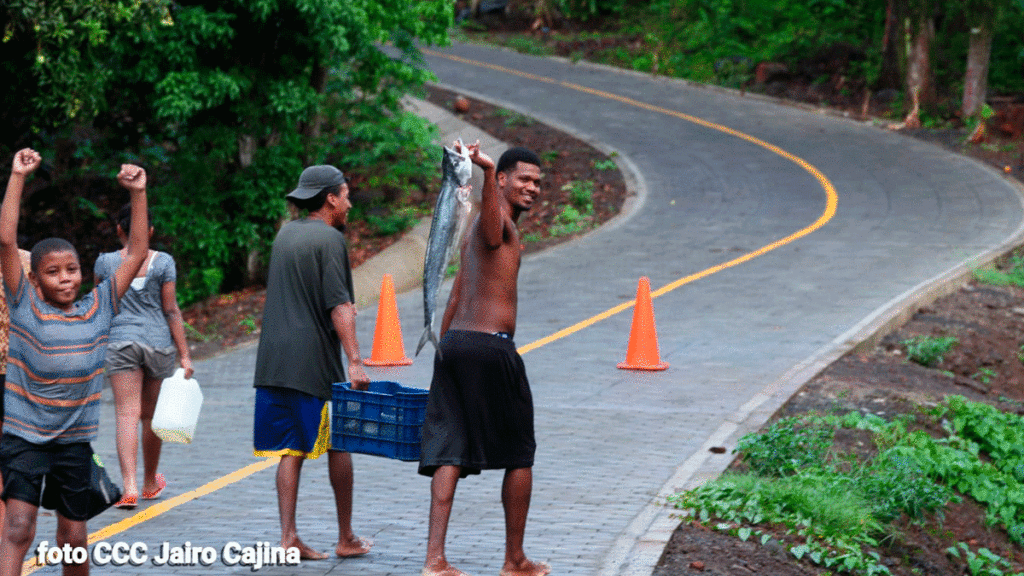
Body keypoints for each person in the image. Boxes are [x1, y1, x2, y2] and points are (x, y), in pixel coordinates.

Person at [0, 148, 149, 576]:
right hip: (25, 437)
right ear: (34, 279)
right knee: (19, 527)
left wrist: (139, 193)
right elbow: (7, 241)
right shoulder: (25, 305)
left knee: (74, 537)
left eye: (72, 269)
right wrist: (17, 177)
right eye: (53, 271)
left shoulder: (99, 307)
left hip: (73, 443)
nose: (65, 278)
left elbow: (137, 250)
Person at [418, 143, 550, 576]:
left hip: (456, 345)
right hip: (490, 349)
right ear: (502, 181)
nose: (532, 187)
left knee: (449, 451)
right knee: (520, 453)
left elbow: (458, 291)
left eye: (536, 182)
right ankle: (514, 560)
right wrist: (486, 168)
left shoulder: (476, 223)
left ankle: (434, 560)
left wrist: (443, 348)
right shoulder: (497, 224)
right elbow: (496, 234)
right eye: (523, 179)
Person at [252, 164, 372, 560]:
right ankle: (346, 537)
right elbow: (339, 306)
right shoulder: (329, 239)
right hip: (311, 361)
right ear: (331, 198)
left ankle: (288, 537)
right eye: (346, 195)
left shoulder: (286, 234)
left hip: (273, 359)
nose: (349, 203)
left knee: (292, 447)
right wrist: (354, 361)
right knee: (339, 442)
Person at [94, 203, 193, 509]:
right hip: (157, 344)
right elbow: (171, 310)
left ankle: (130, 487)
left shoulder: (106, 263)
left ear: (120, 230)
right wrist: (185, 355)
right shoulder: (163, 262)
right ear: (148, 230)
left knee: (126, 413)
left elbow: (100, 307)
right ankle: (150, 481)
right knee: (151, 416)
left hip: (120, 342)